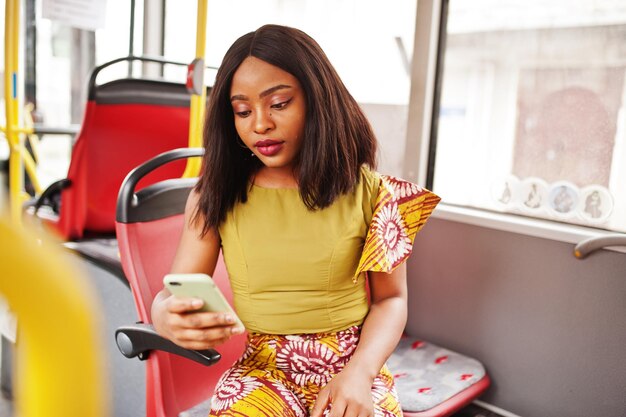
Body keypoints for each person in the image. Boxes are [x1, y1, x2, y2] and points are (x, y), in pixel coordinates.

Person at [151, 24, 440, 417]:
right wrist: (161, 315)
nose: (260, 124)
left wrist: (360, 372)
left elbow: (391, 299)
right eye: (242, 111)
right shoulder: (214, 196)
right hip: (261, 372)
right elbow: (175, 294)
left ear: (317, 100)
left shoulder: (375, 195)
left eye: (279, 103)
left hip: (353, 368)